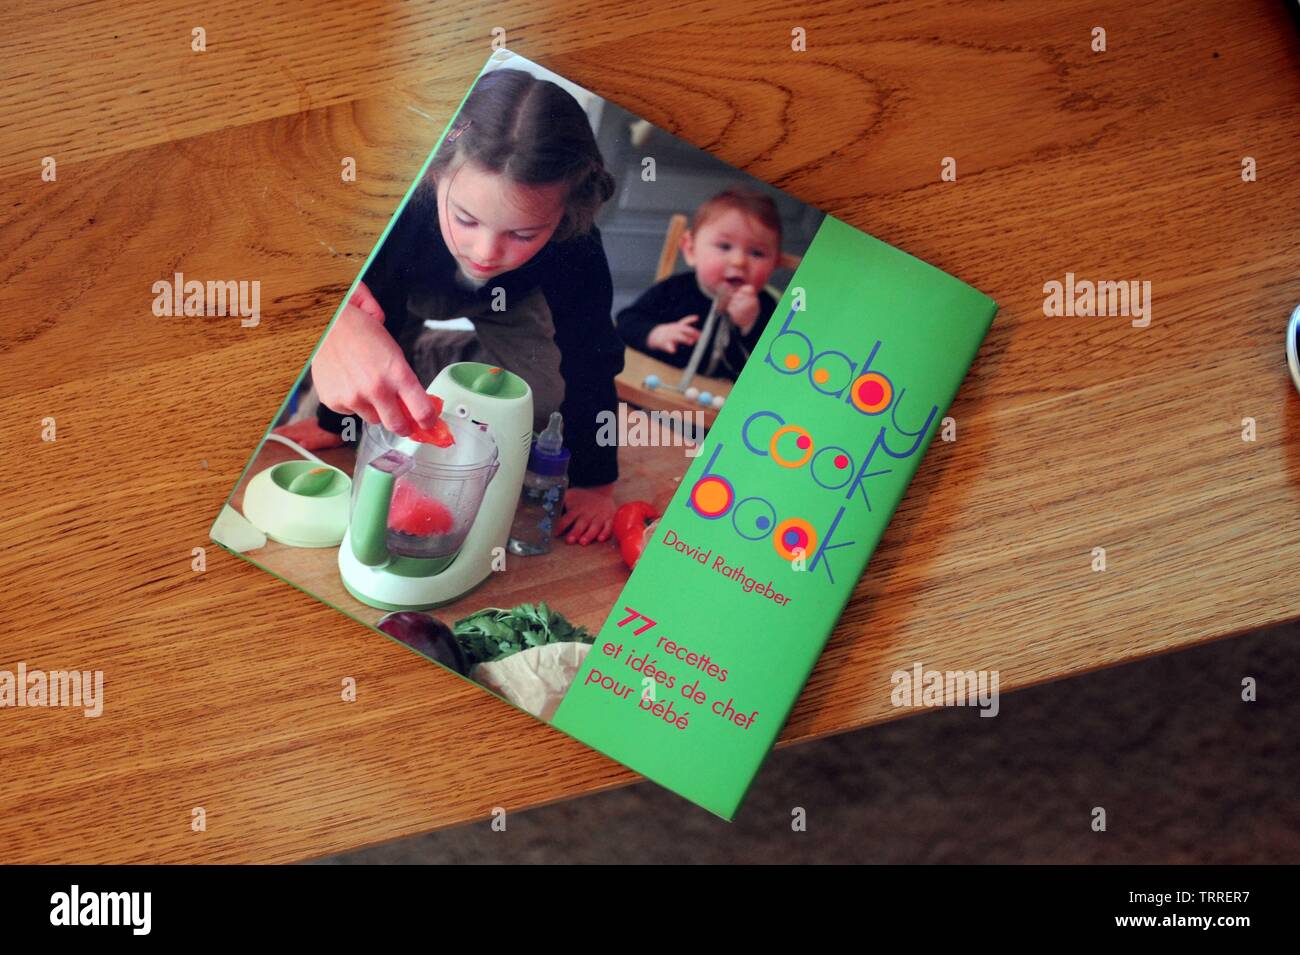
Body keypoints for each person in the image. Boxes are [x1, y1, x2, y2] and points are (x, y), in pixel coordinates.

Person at [276, 68, 623, 545]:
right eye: (466, 218)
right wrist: (333, 423)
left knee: (540, 404)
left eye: (523, 234)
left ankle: (449, 361)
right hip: (399, 286)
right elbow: (359, 325)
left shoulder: (576, 246)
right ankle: (420, 365)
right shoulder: (396, 203)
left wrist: (595, 481)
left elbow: (592, 356)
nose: (485, 252)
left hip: (511, 301)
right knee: (363, 378)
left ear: (566, 214)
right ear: (435, 172)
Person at [616, 187, 782, 381]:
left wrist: (751, 325)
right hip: (660, 388)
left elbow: (777, 366)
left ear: (775, 264)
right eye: (724, 246)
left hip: (719, 405)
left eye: (757, 253)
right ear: (691, 249)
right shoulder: (675, 290)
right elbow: (626, 321)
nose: (739, 261)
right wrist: (655, 334)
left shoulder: (767, 307)